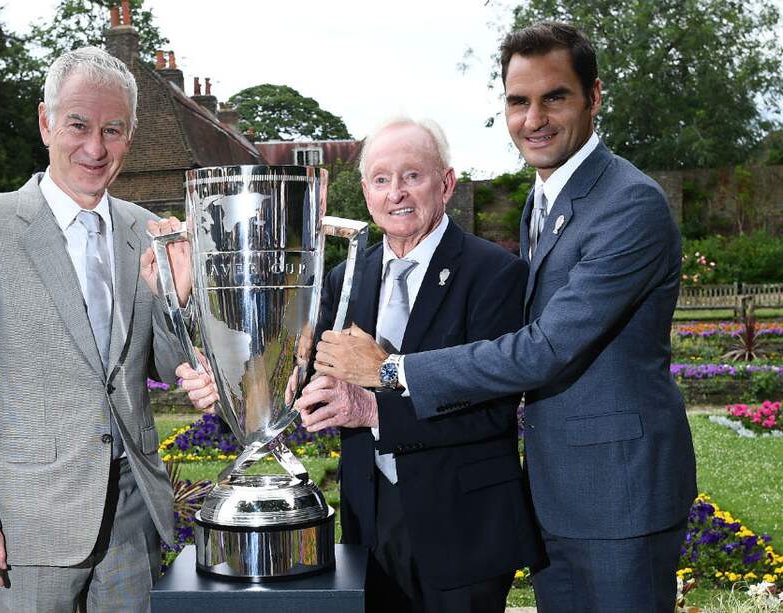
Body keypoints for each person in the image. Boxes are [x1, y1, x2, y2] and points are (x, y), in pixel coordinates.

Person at [313, 22, 697, 613]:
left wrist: (390, 373)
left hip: (619, 494)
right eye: (519, 101)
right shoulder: (545, 201)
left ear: (594, 97)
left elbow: (543, 348)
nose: (534, 118)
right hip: (553, 495)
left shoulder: (629, 203)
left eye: (555, 97)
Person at [179, 118, 543, 613]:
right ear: (366, 192)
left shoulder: (496, 274)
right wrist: (231, 389)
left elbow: (494, 412)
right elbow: (302, 384)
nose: (396, 193)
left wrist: (374, 412)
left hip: (463, 529)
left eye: (412, 176)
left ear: (447, 183)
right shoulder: (347, 277)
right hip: (369, 526)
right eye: (380, 179)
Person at [0, 47, 190, 613]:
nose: (95, 148)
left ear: (131, 134)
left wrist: (177, 297)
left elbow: (171, 369)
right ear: (46, 121)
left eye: (113, 130)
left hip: (132, 513)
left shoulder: (147, 231)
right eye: (78, 124)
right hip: (27, 525)